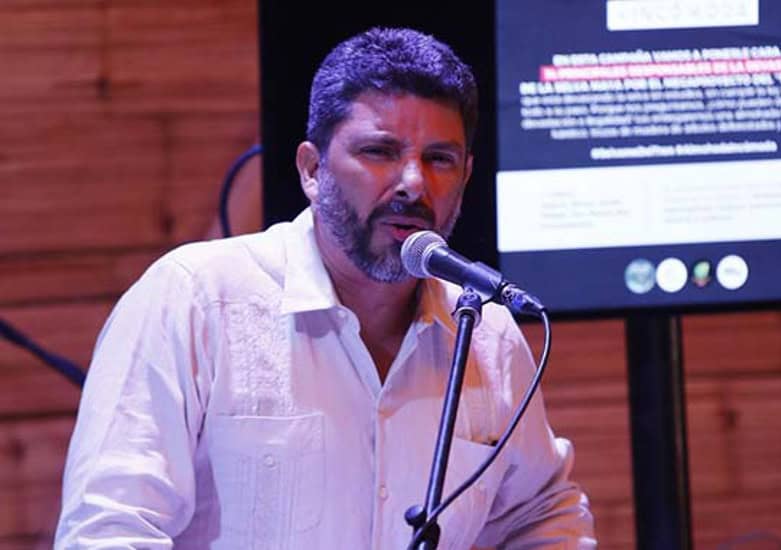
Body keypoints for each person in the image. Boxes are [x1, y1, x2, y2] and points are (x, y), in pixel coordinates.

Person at [55, 27, 596, 549]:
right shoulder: (196, 299)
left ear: (465, 176)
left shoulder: (486, 334)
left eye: (439, 159)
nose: (413, 183)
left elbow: (542, 515)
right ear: (312, 170)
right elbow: (109, 530)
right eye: (380, 152)